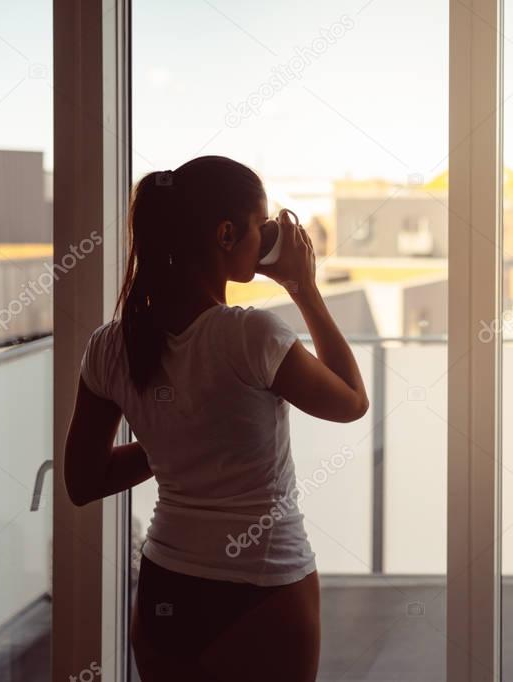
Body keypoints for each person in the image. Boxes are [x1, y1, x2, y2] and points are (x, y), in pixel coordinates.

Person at [63, 155, 368, 681]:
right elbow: (351, 402)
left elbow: (82, 481)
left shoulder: (109, 345)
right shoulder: (252, 335)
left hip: (168, 586)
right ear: (226, 234)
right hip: (263, 585)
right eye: (261, 226)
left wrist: (173, 444)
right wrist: (305, 289)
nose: (268, 238)